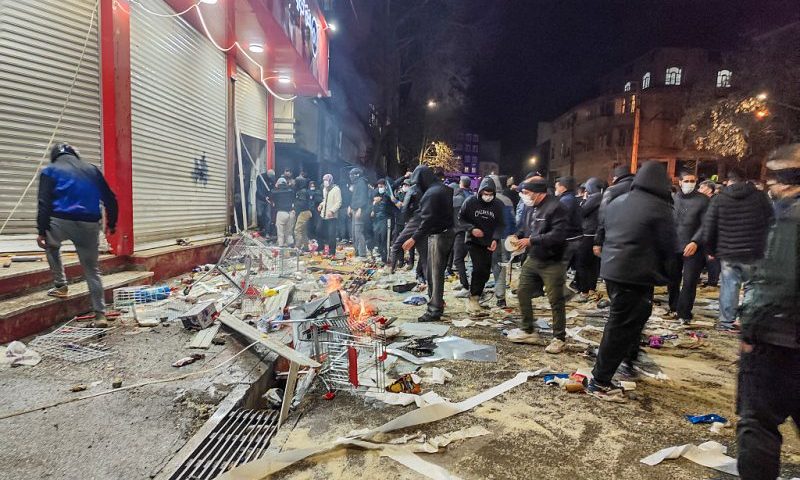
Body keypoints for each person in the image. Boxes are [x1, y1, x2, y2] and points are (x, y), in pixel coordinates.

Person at [585, 161, 678, 398]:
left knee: (626, 321)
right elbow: (669, 245)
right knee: (621, 325)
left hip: (613, 269)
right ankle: (601, 379)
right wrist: (668, 275)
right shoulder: (660, 207)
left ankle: (622, 362)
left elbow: (604, 229)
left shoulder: (618, 201)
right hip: (637, 274)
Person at [736, 145, 800, 480]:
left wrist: (750, 330)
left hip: (779, 340)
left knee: (758, 423)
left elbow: (779, 280)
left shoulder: (791, 217)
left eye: (773, 178)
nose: (770, 187)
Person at [37, 143, 118, 327]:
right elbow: (110, 199)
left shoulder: (49, 171)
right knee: (92, 270)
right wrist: (112, 224)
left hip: (60, 221)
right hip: (88, 225)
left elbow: (44, 203)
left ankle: (60, 285)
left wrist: (42, 232)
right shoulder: (91, 169)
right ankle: (100, 315)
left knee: (51, 245)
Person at [703, 168, 774, 332]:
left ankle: (726, 322)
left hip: (728, 251)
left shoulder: (720, 199)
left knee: (729, 286)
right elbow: (771, 222)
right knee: (751, 286)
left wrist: (710, 250)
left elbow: (709, 227)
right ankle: (747, 321)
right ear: (745, 179)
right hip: (754, 251)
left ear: (729, 180)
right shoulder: (760, 197)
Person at [507, 179, 569, 354]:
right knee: (522, 291)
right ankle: (528, 330)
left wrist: (531, 240)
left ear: (536, 192)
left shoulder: (557, 207)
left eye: (525, 192)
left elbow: (558, 235)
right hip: (533, 258)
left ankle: (559, 338)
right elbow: (527, 229)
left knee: (556, 299)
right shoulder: (530, 207)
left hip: (552, 261)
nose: (523, 196)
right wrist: (517, 237)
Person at [402, 166, 454, 322]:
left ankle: (434, 309)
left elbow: (427, 221)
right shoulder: (444, 189)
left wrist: (413, 238)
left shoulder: (431, 194)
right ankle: (437, 304)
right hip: (447, 232)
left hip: (438, 235)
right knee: (437, 272)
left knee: (434, 274)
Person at [667, 171, 709, 324]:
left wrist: (695, 241)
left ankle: (684, 312)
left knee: (690, 280)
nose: (690, 183)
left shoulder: (703, 200)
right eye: (687, 180)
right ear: (680, 182)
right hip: (673, 245)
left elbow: (706, 224)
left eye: (693, 181)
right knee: (672, 278)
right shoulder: (672, 199)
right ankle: (673, 306)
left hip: (693, 246)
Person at [458, 177, 504, 313]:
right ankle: (473, 298)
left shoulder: (498, 205)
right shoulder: (470, 202)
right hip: (474, 241)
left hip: (489, 242)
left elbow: (501, 224)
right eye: (485, 193)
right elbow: (460, 218)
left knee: (485, 271)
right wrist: (471, 228)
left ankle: (477, 295)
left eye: (491, 194)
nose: (488, 196)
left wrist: (495, 239)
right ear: (480, 191)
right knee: (478, 268)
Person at [593, 165, 635, 256]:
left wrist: (598, 241)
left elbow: (603, 217)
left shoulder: (612, 190)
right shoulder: (639, 189)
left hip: (615, 237)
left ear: (616, 177)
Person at [488, 174, 516, 308]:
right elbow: (513, 220)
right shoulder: (507, 200)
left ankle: (478, 294)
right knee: (502, 267)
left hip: (491, 238)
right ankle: (501, 298)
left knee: (490, 266)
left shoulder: (487, 200)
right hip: (506, 238)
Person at [575, 177, 603, 301]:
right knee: (593, 264)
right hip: (597, 235)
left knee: (582, 263)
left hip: (588, 234)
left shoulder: (595, 198)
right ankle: (591, 288)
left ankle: (584, 291)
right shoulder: (603, 197)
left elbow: (582, 212)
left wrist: (584, 200)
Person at [555, 176, 583, 286]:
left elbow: (562, 221)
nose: (555, 188)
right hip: (575, 237)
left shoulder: (565, 200)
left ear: (563, 187)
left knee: (561, 265)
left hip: (569, 238)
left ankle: (558, 290)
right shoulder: (572, 198)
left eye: (557, 186)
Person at [451, 176, 472, 293]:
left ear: (461, 184)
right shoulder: (472, 196)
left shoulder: (458, 198)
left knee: (458, 259)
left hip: (461, 231)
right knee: (466, 260)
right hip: (470, 231)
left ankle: (465, 286)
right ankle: (463, 283)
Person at [698, 180, 720, 287]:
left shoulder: (715, 201)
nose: (699, 190)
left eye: (702, 188)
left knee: (712, 259)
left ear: (709, 189)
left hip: (713, 235)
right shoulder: (705, 200)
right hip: (705, 233)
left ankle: (713, 282)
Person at [348, 167, 370, 259]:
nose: (350, 177)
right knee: (353, 232)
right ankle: (357, 252)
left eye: (352, 175)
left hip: (360, 210)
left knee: (358, 232)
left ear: (357, 175)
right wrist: (350, 207)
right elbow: (354, 198)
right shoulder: (356, 183)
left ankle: (362, 253)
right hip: (354, 209)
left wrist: (360, 209)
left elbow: (363, 197)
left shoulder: (362, 183)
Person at [318, 174, 342, 257]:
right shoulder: (325, 189)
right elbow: (325, 200)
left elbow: (338, 202)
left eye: (326, 180)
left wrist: (332, 211)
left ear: (330, 180)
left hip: (332, 216)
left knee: (331, 234)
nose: (325, 182)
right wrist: (321, 205)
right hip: (323, 214)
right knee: (319, 230)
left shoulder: (336, 189)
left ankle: (332, 252)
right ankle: (321, 248)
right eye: (324, 180)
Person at [370, 184, 393, 264]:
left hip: (385, 220)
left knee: (384, 239)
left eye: (381, 186)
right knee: (378, 238)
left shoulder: (386, 198)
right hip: (377, 221)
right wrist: (373, 208)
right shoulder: (375, 202)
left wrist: (379, 202)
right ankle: (381, 255)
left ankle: (386, 258)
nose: (375, 198)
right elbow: (373, 213)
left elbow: (386, 209)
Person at [270, 177, 295, 247]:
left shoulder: (275, 191)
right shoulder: (290, 190)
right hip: (291, 213)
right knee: (289, 233)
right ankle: (290, 248)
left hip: (281, 213)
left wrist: (275, 187)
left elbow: (271, 197)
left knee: (280, 232)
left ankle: (280, 247)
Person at [293, 177, 313, 251]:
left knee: (297, 230)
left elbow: (302, 203)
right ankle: (306, 246)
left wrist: (294, 204)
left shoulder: (302, 192)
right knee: (303, 230)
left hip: (304, 212)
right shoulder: (305, 191)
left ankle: (297, 247)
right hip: (306, 212)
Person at [255, 170, 275, 238]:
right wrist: (264, 197)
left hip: (268, 200)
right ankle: (261, 228)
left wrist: (270, 197)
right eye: (270, 177)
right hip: (260, 198)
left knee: (268, 216)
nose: (271, 178)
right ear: (267, 174)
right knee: (259, 214)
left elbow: (272, 189)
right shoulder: (260, 177)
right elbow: (259, 189)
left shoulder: (272, 178)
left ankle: (267, 232)